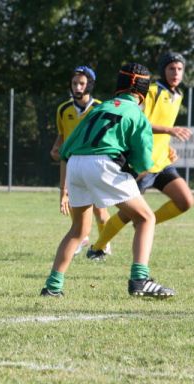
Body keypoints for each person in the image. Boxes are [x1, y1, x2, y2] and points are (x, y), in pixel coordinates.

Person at [40, 62, 175, 298]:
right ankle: (140, 280)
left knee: (78, 230)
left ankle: (52, 287)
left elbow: (66, 148)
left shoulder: (98, 110)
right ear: (142, 93)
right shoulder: (136, 113)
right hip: (101, 164)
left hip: (75, 164)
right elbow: (144, 162)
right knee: (145, 218)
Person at [87, 52, 193, 260]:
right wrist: (169, 131)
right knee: (126, 213)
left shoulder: (178, 95)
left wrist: (167, 145)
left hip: (161, 162)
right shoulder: (151, 91)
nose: (176, 73)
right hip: (142, 162)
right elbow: (137, 122)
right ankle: (98, 247)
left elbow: (161, 128)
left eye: (180, 69)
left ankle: (144, 222)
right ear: (163, 70)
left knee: (185, 201)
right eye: (171, 68)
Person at [50, 66, 110, 255]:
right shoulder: (63, 109)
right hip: (73, 163)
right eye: (74, 83)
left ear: (89, 85)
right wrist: (56, 146)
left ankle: (103, 244)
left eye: (82, 83)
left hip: (95, 164)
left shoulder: (100, 108)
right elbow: (62, 134)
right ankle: (82, 238)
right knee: (76, 206)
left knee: (100, 210)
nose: (77, 87)